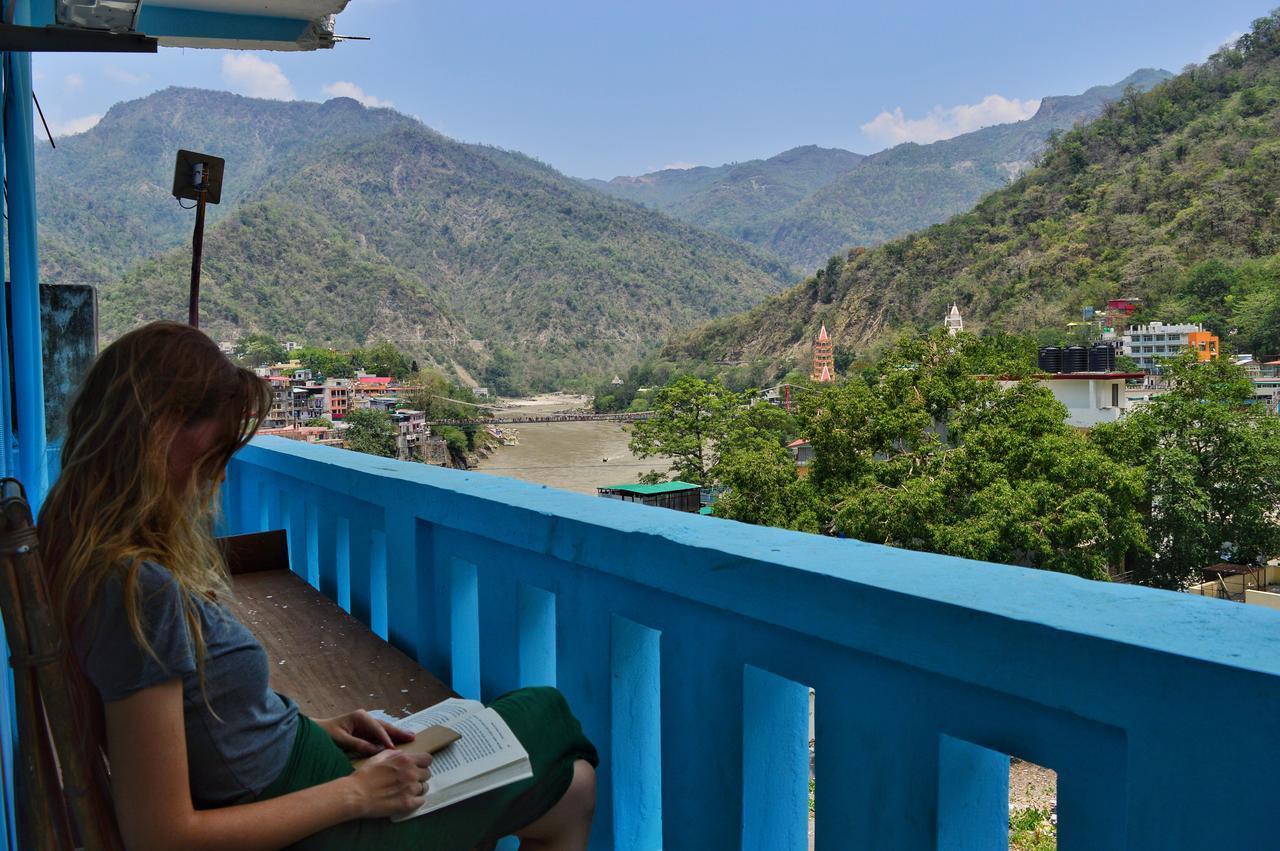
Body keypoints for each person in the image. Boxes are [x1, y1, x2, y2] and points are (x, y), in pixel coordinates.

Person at [37, 321, 597, 851]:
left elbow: (204, 727)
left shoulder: (74, 544)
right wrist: (357, 793)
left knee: (568, 782)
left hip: (303, 775)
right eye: (217, 452)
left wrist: (319, 728)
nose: (221, 474)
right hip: (317, 814)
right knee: (552, 722)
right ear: (161, 431)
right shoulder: (137, 589)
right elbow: (162, 835)